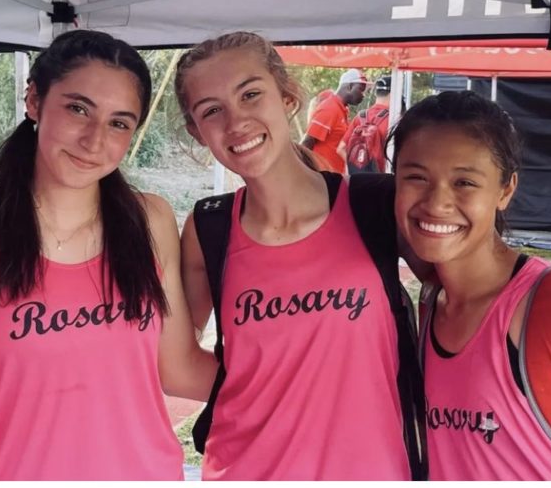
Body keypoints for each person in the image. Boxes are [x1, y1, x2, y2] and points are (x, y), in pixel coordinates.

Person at [0, 29, 217, 481]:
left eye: (119, 122)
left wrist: (304, 378)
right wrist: (1, 416)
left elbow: (179, 368)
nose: (94, 140)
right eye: (78, 109)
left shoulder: (148, 219)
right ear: (35, 100)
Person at [175, 32, 417, 480]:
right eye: (212, 110)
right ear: (196, 129)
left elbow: (472, 295)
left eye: (251, 94)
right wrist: (268, 386)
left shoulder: (373, 206)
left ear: (286, 96)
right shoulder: (207, 226)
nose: (237, 121)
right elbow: (175, 366)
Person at [391, 91, 551, 480]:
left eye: (464, 182)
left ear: (506, 190)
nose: (437, 202)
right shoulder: (429, 304)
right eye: (416, 177)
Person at [301, 68, 369, 173]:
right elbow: (307, 142)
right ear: (350, 86)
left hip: (334, 175)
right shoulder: (330, 108)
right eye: (361, 89)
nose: (363, 95)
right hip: (322, 177)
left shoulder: (342, 110)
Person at [340, 75, 392, 174]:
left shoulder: (361, 116)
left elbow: (341, 148)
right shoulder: (393, 119)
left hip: (356, 181)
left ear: (376, 94)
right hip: (380, 181)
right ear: (393, 94)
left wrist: (356, 169)